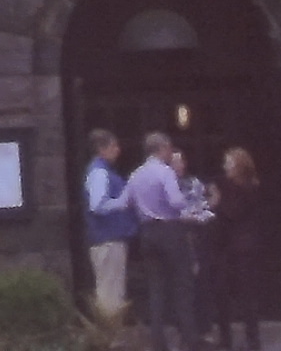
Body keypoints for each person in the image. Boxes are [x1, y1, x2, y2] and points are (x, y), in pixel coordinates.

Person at [126, 132, 199, 348]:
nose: (170, 152)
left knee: (156, 289)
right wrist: (192, 208)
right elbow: (176, 201)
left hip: (147, 232)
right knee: (182, 287)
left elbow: (127, 201)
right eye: (168, 148)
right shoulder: (165, 172)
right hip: (170, 231)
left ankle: (158, 343)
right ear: (161, 148)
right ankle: (189, 340)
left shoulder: (136, 174)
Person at [205, 147, 267, 351]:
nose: (225, 167)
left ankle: (253, 340)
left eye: (228, 163)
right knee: (222, 294)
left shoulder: (249, 187)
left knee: (247, 296)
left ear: (239, 165)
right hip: (225, 248)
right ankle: (226, 338)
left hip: (243, 249)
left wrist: (218, 200)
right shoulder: (226, 184)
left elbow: (233, 212)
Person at [82, 127, 135, 323]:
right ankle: (110, 338)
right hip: (107, 240)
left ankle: (111, 336)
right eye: (114, 146)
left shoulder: (102, 171)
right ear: (102, 148)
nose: (118, 150)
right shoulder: (99, 173)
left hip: (109, 238)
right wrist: (123, 201)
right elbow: (97, 205)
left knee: (112, 291)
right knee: (110, 293)